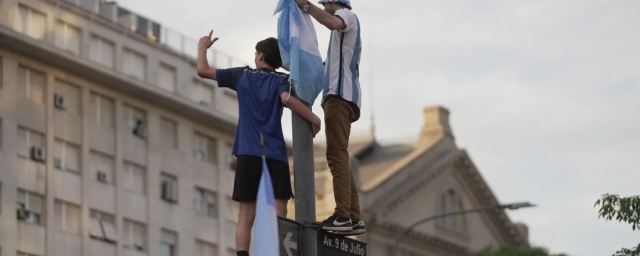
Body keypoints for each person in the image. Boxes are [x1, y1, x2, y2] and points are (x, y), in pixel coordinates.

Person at [196, 30, 322, 256]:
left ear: (261, 56)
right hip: (275, 153)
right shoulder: (281, 80)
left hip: (247, 152)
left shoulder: (242, 75)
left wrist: (202, 49)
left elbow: (202, 71)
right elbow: (286, 99)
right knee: (279, 213)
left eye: (256, 53)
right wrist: (313, 118)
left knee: (246, 215)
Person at [293, 0, 364, 235]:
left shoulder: (346, 16)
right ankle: (353, 217)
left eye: (325, 4)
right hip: (343, 97)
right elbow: (326, 67)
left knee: (336, 156)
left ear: (336, 3)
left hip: (339, 97)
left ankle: (343, 216)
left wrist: (306, 6)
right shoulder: (342, 36)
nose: (323, 8)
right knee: (340, 155)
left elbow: (332, 22)